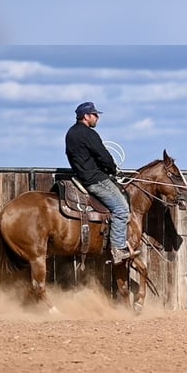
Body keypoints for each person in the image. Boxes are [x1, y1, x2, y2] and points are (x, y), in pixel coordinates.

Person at [65, 101, 133, 265]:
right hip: (96, 179)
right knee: (122, 209)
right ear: (86, 116)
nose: (97, 118)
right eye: (95, 115)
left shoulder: (71, 133)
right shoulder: (89, 134)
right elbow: (103, 155)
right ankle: (118, 249)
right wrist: (113, 169)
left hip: (81, 177)